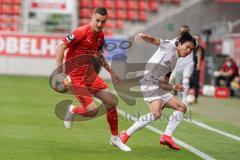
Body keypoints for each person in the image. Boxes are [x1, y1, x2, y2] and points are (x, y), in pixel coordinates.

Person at [55, 7, 131, 151]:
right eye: (97, 21)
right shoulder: (80, 32)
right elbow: (60, 47)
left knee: (111, 101)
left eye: (103, 22)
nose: (99, 24)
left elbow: (97, 54)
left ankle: (115, 138)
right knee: (93, 111)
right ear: (92, 18)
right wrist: (59, 73)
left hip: (89, 74)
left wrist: (111, 72)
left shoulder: (100, 36)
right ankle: (72, 111)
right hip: (75, 77)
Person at [120, 32, 196, 150]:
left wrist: (174, 87)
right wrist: (143, 36)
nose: (188, 51)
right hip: (149, 82)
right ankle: (125, 134)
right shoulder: (170, 45)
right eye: (187, 47)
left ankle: (167, 136)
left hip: (158, 85)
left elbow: (164, 83)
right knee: (156, 113)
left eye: (191, 50)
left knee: (182, 107)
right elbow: (155, 40)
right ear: (180, 44)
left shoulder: (175, 59)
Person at [170, 25, 194, 104]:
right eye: (182, 32)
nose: (183, 33)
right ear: (179, 32)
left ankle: (184, 100)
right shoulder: (174, 41)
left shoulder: (193, 41)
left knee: (186, 81)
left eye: (185, 32)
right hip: (177, 65)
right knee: (173, 82)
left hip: (188, 64)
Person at [190, 33, 205, 103]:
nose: (196, 40)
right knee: (187, 81)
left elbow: (200, 59)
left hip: (195, 68)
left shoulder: (200, 49)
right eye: (195, 39)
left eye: (198, 39)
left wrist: (198, 67)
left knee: (196, 83)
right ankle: (183, 95)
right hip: (188, 67)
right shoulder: (189, 47)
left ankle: (195, 98)